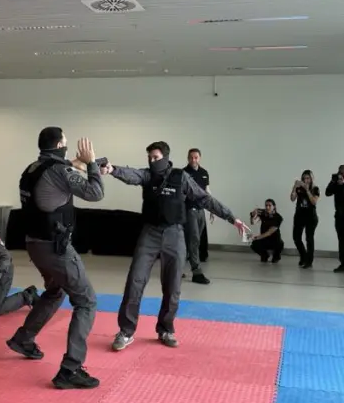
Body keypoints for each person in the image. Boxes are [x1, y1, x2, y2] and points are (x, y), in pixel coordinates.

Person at [105, 142, 248, 352]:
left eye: (155, 157)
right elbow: (132, 174)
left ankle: (165, 329)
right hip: (150, 234)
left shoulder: (181, 178)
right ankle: (126, 331)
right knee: (135, 280)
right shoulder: (147, 176)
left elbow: (205, 199)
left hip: (175, 234)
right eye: (149, 157)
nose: (151, 161)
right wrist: (112, 169)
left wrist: (231, 218)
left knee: (173, 286)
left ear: (165, 157)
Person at [6, 128, 103, 390]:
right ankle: (70, 370)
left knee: (55, 291)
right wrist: (92, 165)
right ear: (60, 145)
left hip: (34, 245)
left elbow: (59, 171)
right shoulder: (59, 171)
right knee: (86, 301)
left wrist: (84, 164)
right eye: (66, 143)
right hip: (55, 248)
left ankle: (23, 339)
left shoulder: (33, 168)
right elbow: (95, 193)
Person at [183, 147, 213, 284]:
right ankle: (196, 272)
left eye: (196, 157)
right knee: (194, 239)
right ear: (188, 158)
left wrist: (212, 209)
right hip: (189, 210)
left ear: (199, 158)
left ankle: (177, 268)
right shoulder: (184, 173)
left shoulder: (204, 173)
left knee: (192, 241)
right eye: (191, 157)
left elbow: (207, 191)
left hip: (201, 211)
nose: (193, 160)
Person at [290, 170, 320, 268]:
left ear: (311, 179)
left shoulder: (315, 189)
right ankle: (303, 256)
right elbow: (292, 198)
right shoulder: (299, 188)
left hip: (311, 217)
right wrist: (295, 187)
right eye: (304, 178)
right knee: (296, 237)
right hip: (299, 216)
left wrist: (307, 190)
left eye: (308, 178)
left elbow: (314, 202)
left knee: (309, 238)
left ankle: (309, 261)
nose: (305, 180)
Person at [250, 199, 285, 263]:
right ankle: (265, 255)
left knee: (280, 244)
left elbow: (269, 232)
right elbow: (253, 222)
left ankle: (276, 256)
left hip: (275, 240)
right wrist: (252, 216)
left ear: (274, 206)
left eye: (269, 205)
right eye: (266, 205)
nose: (267, 207)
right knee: (254, 244)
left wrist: (256, 237)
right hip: (264, 239)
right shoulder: (263, 213)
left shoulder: (278, 217)